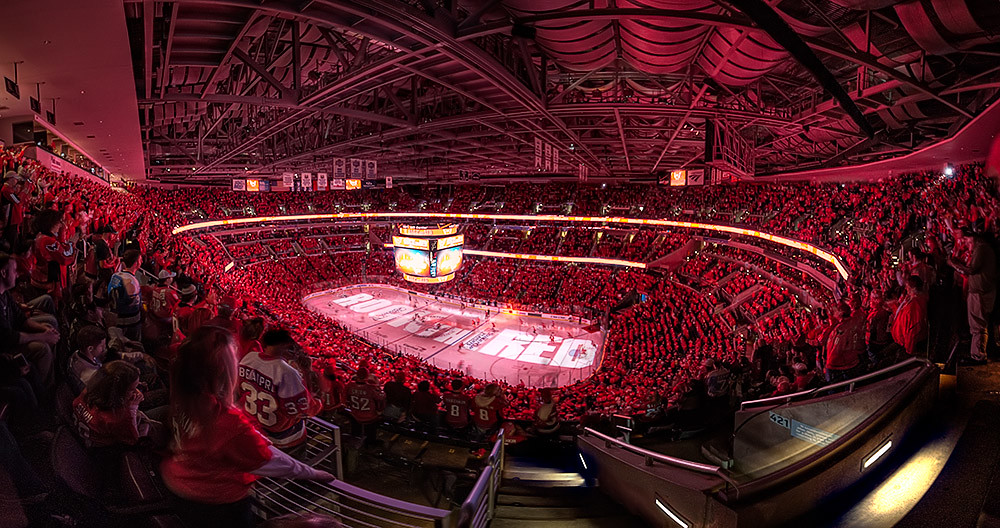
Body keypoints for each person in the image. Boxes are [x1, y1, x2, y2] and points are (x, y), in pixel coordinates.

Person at [161, 326, 334, 528]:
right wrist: (313, 473)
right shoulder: (228, 423)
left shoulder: (183, 399)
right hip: (218, 501)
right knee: (287, 493)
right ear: (223, 371)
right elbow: (269, 457)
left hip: (179, 484)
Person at [237, 329, 322, 449]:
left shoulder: (249, 358)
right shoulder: (286, 372)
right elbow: (303, 411)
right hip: (281, 437)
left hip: (253, 426)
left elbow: (240, 389)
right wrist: (318, 401)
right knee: (295, 463)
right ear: (285, 346)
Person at [0, 253, 58, 395]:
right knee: (42, 347)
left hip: (12, 337)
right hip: (5, 349)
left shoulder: (5, 293)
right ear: (3, 272)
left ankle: (54, 370)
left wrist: (44, 329)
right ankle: (44, 391)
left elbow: (21, 319)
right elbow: (9, 338)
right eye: (14, 270)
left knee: (50, 325)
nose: (17, 274)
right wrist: (42, 337)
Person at [72, 360, 157, 448]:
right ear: (117, 393)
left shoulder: (88, 392)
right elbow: (133, 439)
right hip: (109, 449)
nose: (136, 391)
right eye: (132, 389)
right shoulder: (114, 418)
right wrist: (133, 407)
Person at [949, 229, 997, 365]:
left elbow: (971, 269)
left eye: (969, 241)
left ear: (975, 238)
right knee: (976, 324)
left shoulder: (981, 249)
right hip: (977, 292)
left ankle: (979, 355)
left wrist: (954, 263)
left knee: (978, 325)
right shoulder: (980, 249)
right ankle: (976, 353)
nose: (967, 244)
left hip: (980, 293)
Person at [824, 302, 866, 383]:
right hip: (852, 360)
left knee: (834, 387)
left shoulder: (841, 329)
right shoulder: (854, 322)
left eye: (835, 310)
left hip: (838, 364)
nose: (833, 312)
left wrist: (829, 365)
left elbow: (837, 348)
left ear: (841, 313)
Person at [108, 250, 144, 341]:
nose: (142, 262)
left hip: (115, 318)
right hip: (130, 323)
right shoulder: (132, 282)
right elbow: (135, 306)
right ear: (136, 263)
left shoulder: (115, 276)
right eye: (140, 260)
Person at [891, 276, 929, 360]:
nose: (906, 288)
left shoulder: (915, 304)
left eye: (907, 286)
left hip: (906, 346)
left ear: (913, 287)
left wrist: (908, 351)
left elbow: (914, 329)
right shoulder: (911, 299)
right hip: (902, 341)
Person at [344, 367, 384, 445]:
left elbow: (345, 398)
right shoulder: (371, 388)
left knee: (355, 420)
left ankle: (355, 435)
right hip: (369, 416)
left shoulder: (349, 385)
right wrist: (377, 384)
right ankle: (370, 441)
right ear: (367, 376)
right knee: (374, 422)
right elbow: (381, 398)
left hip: (355, 413)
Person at [67, 325, 108, 396]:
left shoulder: (76, 354)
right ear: (90, 349)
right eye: (102, 346)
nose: (104, 348)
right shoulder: (91, 375)